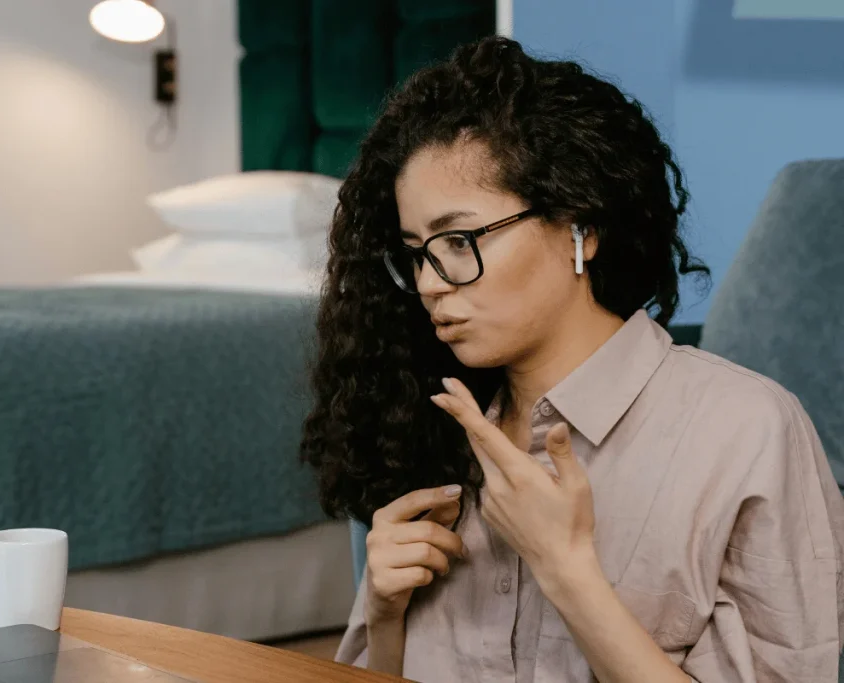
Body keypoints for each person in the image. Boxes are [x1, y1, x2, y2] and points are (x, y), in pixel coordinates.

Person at [300, 35, 844, 683]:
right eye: (417, 251)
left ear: (580, 229)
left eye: (457, 240)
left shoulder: (748, 432)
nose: (429, 282)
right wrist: (386, 617)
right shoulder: (431, 423)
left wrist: (564, 567)